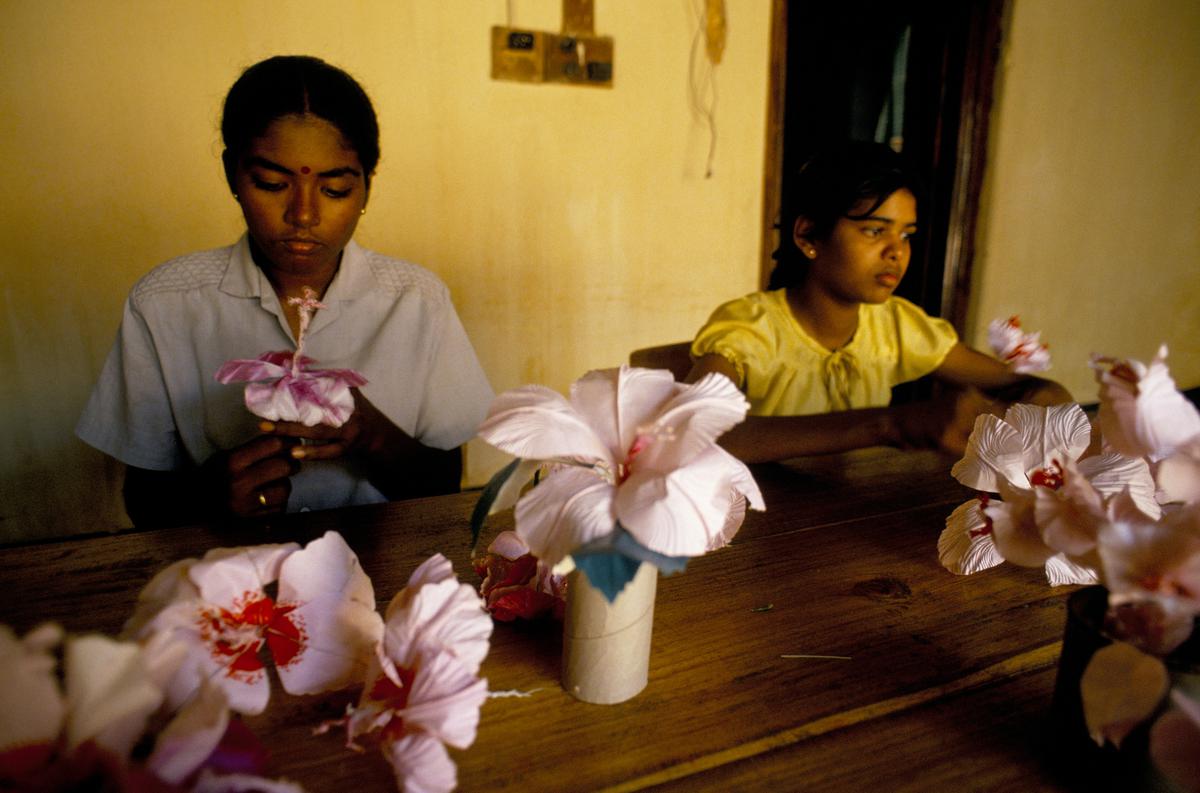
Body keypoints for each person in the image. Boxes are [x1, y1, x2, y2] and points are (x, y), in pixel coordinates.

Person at [77, 55, 493, 526]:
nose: (304, 215)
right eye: (271, 183)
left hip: (381, 571)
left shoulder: (418, 301)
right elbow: (144, 501)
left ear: (367, 189)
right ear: (234, 174)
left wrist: (370, 435)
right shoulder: (164, 304)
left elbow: (443, 484)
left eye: (335, 189)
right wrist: (210, 494)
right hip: (226, 581)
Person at [687, 141, 1071, 463]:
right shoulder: (749, 328)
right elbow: (696, 432)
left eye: (907, 235)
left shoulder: (895, 326)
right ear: (808, 236)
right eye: (875, 230)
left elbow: (1026, 386)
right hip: (757, 531)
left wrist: (1038, 396)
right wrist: (891, 423)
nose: (896, 253)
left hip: (856, 514)